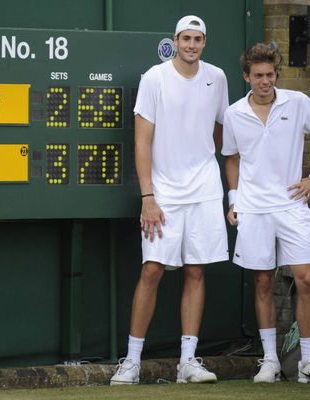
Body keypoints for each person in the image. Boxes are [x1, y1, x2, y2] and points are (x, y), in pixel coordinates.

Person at [110, 15, 229, 385]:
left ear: (204, 43)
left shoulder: (218, 78)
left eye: (198, 39)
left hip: (205, 189)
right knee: (153, 270)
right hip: (163, 193)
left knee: (196, 270)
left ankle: (188, 362)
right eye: (186, 38)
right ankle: (131, 361)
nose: (192, 45)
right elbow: (142, 141)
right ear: (175, 41)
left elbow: (220, 131)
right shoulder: (154, 78)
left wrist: (203, 160)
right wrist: (148, 196)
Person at [222, 43, 310, 384]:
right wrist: (234, 199)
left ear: (276, 75)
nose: (265, 82)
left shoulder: (298, 102)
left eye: (270, 75)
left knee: (306, 278)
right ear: (247, 76)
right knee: (262, 282)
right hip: (254, 208)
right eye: (258, 76)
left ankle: (308, 360)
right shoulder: (233, 114)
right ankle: (270, 361)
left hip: (292, 206)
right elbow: (231, 157)